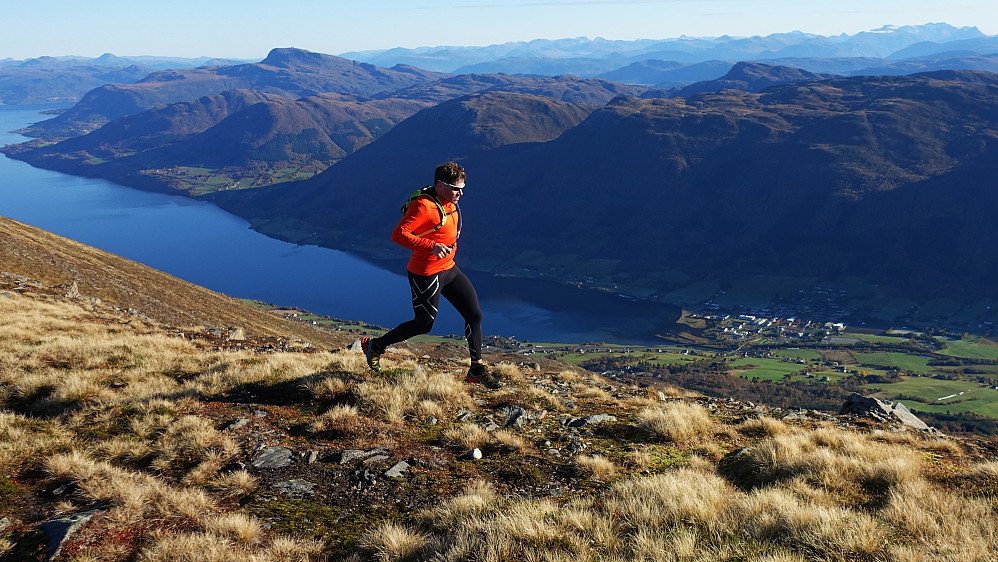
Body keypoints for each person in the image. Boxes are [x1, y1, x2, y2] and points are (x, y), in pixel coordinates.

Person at [361, 162, 502, 389]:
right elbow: (398, 235)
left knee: (474, 315)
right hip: (425, 273)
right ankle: (376, 346)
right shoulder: (424, 206)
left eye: (462, 187)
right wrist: (431, 245)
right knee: (423, 324)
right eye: (456, 188)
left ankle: (476, 369)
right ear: (440, 185)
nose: (461, 193)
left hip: (449, 268)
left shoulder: (448, 202)